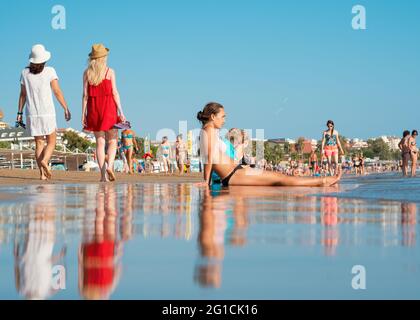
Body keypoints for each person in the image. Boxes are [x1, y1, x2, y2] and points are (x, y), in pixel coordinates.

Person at [196, 102, 341, 187]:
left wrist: (206, 180)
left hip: (235, 171)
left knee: (279, 177)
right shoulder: (207, 132)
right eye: (223, 117)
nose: (224, 120)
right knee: (280, 179)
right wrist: (205, 181)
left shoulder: (209, 131)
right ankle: (322, 181)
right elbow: (209, 157)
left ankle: (320, 181)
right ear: (213, 116)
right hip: (233, 175)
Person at [17, 44, 71, 180]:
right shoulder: (50, 71)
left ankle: (42, 174)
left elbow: (22, 95)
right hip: (47, 112)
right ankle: (45, 161)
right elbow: (57, 91)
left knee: (39, 143)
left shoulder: (24, 73)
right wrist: (65, 107)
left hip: (32, 113)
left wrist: (19, 113)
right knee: (51, 141)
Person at [82, 44, 126, 182]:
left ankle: (102, 175)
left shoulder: (87, 73)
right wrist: (121, 111)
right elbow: (115, 92)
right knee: (113, 140)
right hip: (109, 108)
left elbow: (85, 95)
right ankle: (110, 166)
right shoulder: (110, 72)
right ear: (103, 58)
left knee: (100, 142)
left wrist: (83, 114)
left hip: (94, 108)